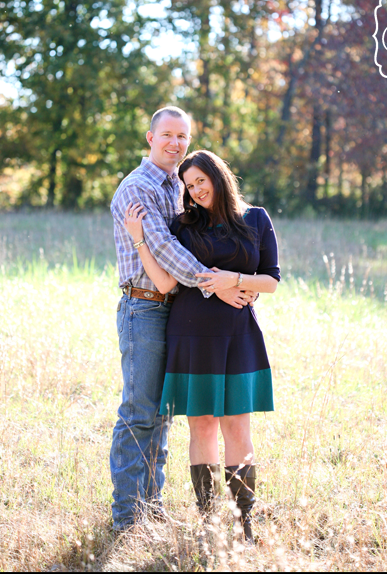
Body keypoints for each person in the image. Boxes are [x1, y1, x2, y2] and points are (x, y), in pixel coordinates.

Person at [124, 148, 280, 544]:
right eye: (188, 185)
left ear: (218, 177)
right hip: (191, 334)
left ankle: (245, 524)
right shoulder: (183, 226)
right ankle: (209, 522)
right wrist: (140, 240)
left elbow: (271, 281)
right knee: (203, 426)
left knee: (237, 427)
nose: (195, 191)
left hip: (238, 335)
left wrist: (233, 279)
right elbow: (166, 283)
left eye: (200, 182)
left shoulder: (256, 218)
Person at [109, 106, 254, 534]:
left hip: (175, 310)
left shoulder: (178, 187)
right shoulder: (137, 188)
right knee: (139, 412)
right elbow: (168, 253)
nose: (176, 143)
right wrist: (220, 284)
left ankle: (150, 507)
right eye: (168, 134)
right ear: (149, 138)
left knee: (163, 414)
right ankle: (126, 516)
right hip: (145, 305)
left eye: (183, 136)